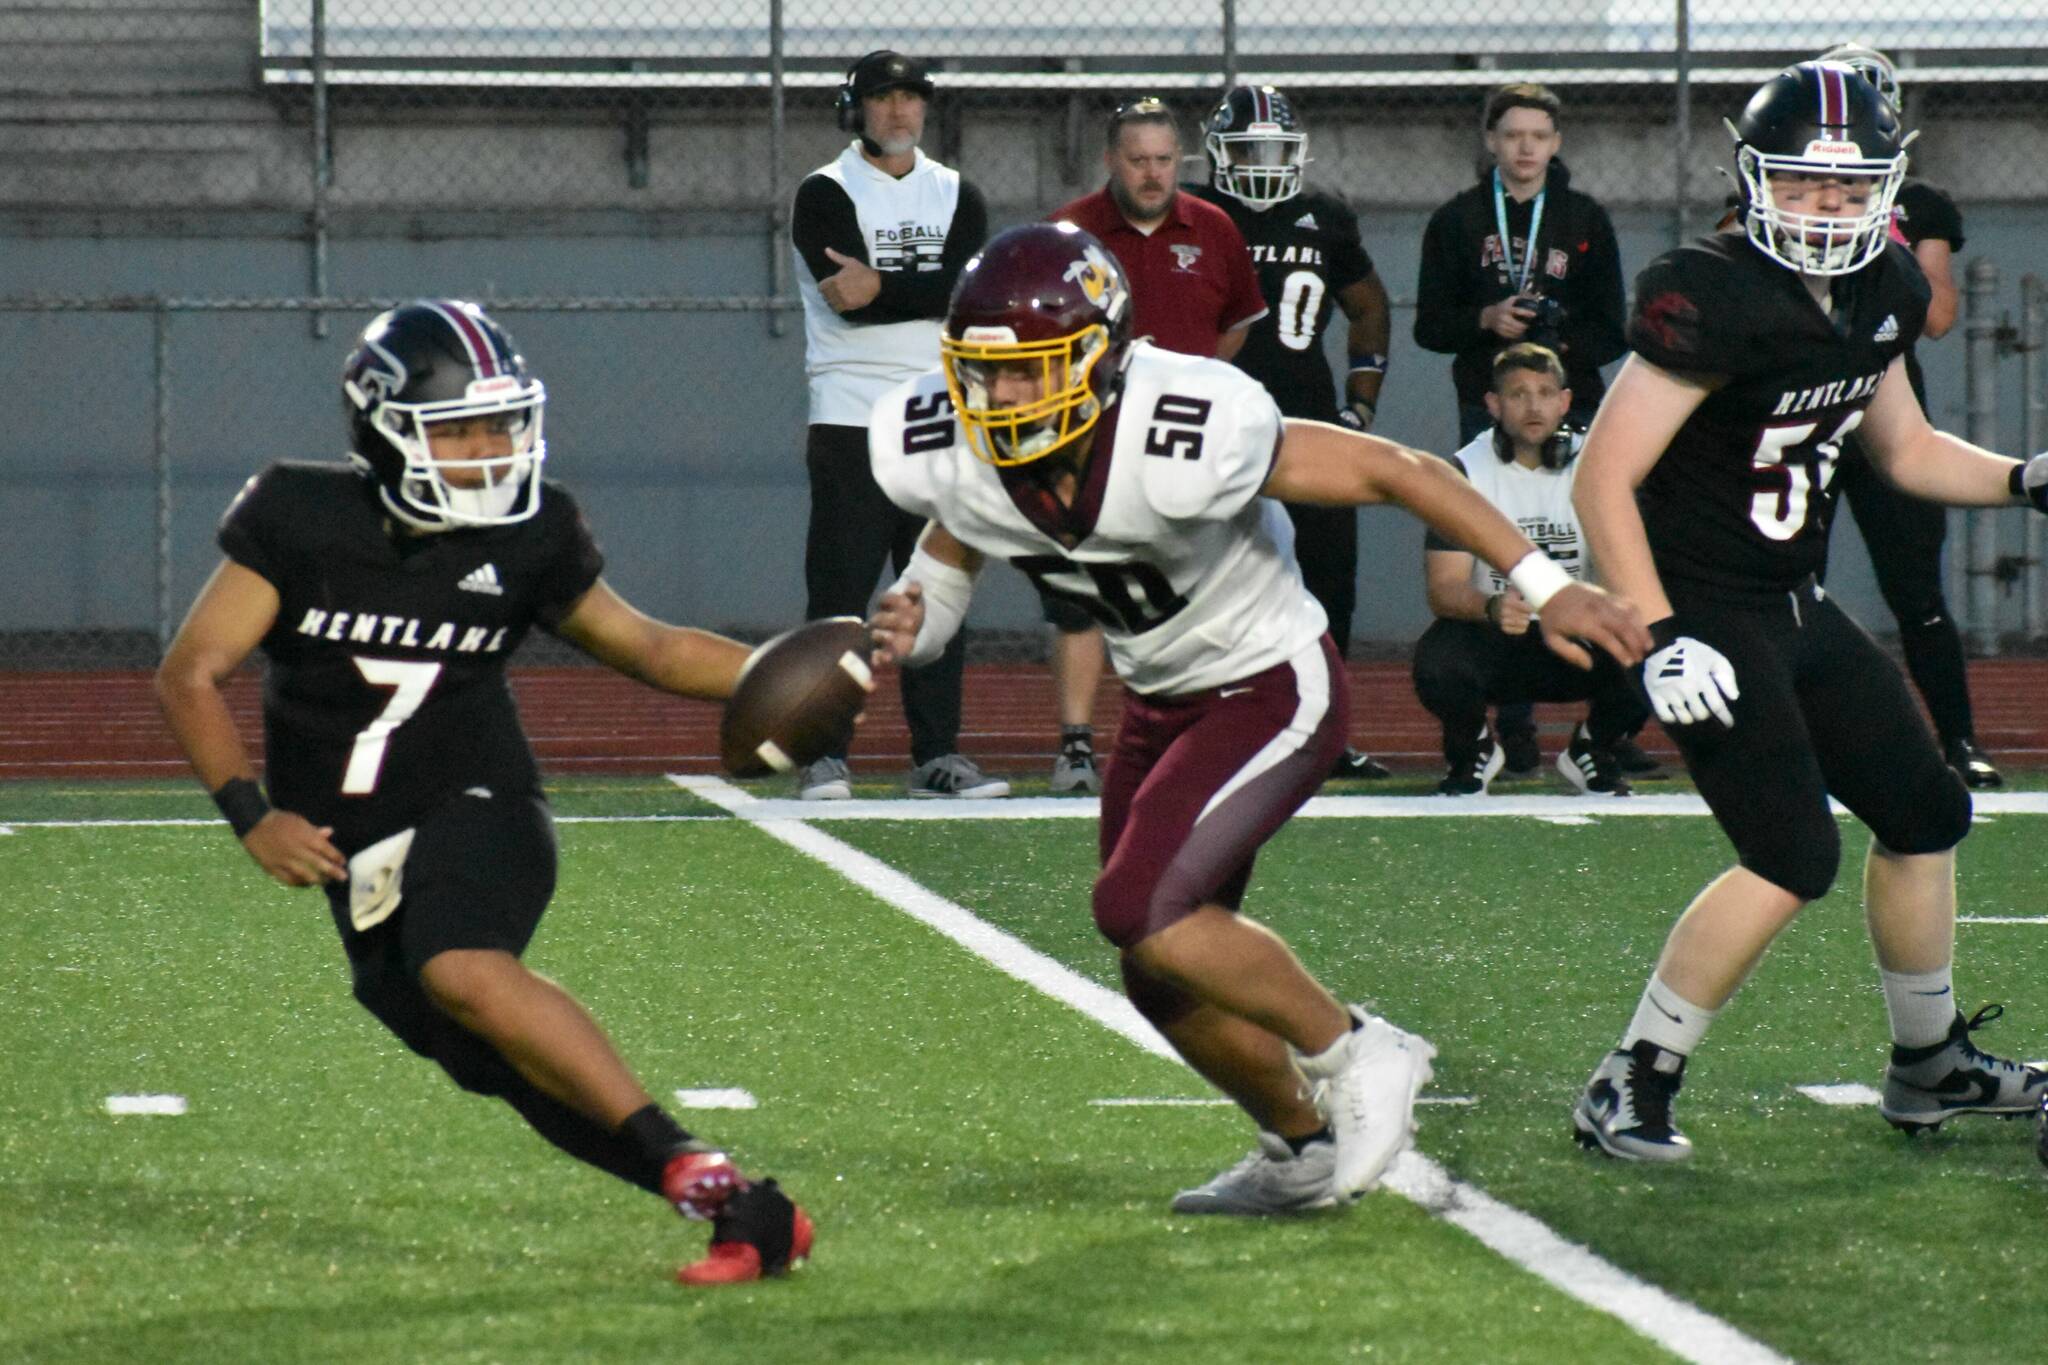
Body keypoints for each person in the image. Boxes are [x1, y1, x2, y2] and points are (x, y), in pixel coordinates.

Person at [866, 223, 1650, 1213]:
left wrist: (1543, 586)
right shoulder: (965, 452)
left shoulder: (1181, 419)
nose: (1003, 398)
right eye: (985, 375)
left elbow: (1397, 472)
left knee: (1135, 907)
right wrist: (906, 619)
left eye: (1029, 371)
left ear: (1098, 359)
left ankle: (1361, 1047)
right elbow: (943, 565)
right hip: (1158, 698)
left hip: (1268, 681)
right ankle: (1298, 1151)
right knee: (1157, 969)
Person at [153, 301, 812, 1284]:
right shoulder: (300, 516)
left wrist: (785, 676)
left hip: (479, 799)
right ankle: (742, 1211)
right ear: (384, 430)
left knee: (459, 965)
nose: (487, 448)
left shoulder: (532, 530)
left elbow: (648, 647)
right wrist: (252, 815)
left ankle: (683, 1152)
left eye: (502, 424)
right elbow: (191, 671)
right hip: (359, 842)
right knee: (477, 1053)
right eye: (458, 427)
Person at [1566, 66, 2048, 1164]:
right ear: (1753, 181)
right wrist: (1652, 635)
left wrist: (2021, 477)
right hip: (1701, 610)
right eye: (1798, 186)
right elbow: (1601, 478)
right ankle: (1631, 1076)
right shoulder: (1709, 290)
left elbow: (1906, 451)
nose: (1824, 211)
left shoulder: (1880, 285)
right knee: (1788, 854)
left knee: (1924, 813)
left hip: (1791, 601)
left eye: (1846, 191)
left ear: (1885, 189)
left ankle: (1929, 1064)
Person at [1038, 96, 1270, 795]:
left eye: (1165, 160)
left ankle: (1203, 742)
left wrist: (1189, 380)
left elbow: (1237, 324)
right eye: (1137, 159)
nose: (1152, 173)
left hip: (1185, 439)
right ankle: (1077, 748)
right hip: (1089, 438)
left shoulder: (1215, 227)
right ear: (1110, 159)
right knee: (1083, 594)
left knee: (1198, 589)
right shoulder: (1069, 231)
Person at [790, 48, 1005, 801]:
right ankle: (824, 751)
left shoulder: (958, 192)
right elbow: (849, 299)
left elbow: (968, 293)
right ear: (857, 108)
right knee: (842, 594)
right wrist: (924, 288)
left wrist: (889, 283)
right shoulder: (823, 192)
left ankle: (937, 754)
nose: (900, 110)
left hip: (938, 416)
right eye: (883, 97)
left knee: (934, 587)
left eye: (911, 97)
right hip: (851, 417)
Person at [1414, 82, 1632, 779]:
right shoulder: (1457, 219)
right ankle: (1507, 728)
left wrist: (1558, 343)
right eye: (1512, 135)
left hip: (1572, 405)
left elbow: (1615, 330)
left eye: (1538, 135)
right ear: (1491, 142)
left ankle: (1603, 735)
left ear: (1557, 143)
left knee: (1587, 546)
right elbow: (1428, 325)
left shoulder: (1585, 217)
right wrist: (1486, 320)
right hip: (1490, 407)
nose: (1526, 147)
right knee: (1494, 547)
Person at [1186, 83, 1396, 783]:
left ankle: (1325, 734)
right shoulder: (1197, 215)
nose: (1265, 163)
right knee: (1214, 580)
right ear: (1217, 154)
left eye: (1276, 149)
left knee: (1328, 578)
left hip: (1306, 420)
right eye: (1249, 151)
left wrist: (1360, 405)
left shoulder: (1325, 218)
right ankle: (1219, 734)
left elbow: (1368, 308)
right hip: (1217, 426)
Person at [1819, 42, 2002, 789]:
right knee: (1792, 585)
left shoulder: (1917, 206)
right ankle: (1799, 743)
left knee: (1917, 589)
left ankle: (1956, 739)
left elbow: (1936, 316)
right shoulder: (1792, 188)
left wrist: (1882, 244)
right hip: (1803, 408)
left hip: (1888, 409)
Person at [1413, 344, 1650, 796]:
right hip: (1497, 635)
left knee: (1656, 642)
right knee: (1438, 663)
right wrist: (1492, 605)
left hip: (1579, 633)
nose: (1534, 406)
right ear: (1493, 405)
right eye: (1518, 395)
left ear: (1565, 402)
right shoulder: (1463, 472)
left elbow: (1634, 573)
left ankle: (1594, 748)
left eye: (1545, 393)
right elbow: (1443, 590)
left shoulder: (1600, 468)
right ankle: (1474, 747)